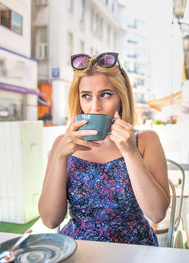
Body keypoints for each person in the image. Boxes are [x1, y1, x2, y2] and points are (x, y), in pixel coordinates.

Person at [38, 52, 169, 246]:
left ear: (121, 98)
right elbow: (50, 221)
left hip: (134, 250)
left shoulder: (145, 140)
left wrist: (130, 152)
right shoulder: (62, 144)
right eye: (86, 96)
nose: (94, 107)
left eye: (105, 95)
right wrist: (60, 156)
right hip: (78, 249)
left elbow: (157, 213)